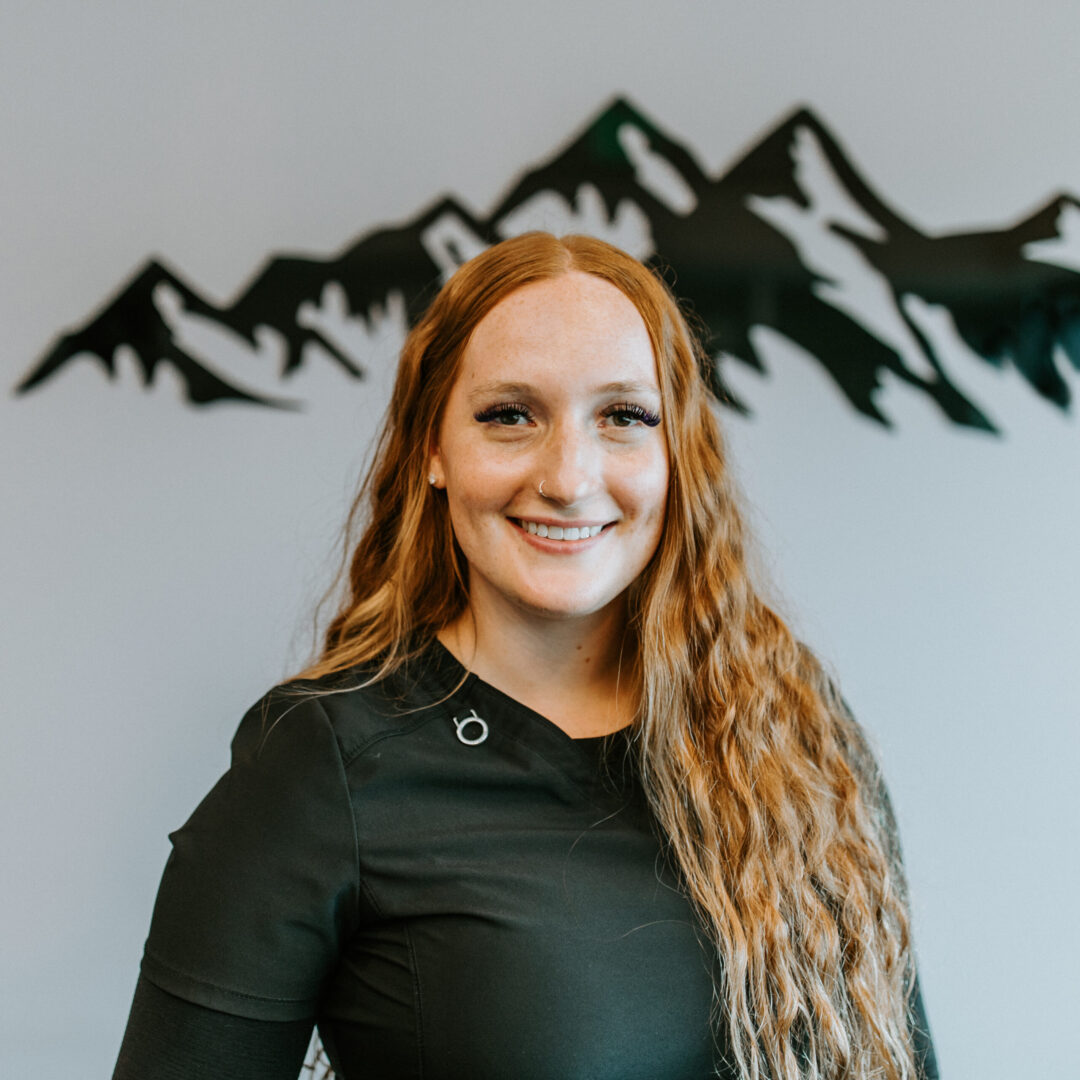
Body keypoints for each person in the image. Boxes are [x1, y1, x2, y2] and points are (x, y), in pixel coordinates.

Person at [113, 232, 938, 1080]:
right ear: (432, 449)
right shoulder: (322, 765)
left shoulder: (790, 731)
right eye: (510, 415)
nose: (570, 477)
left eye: (624, 417)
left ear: (676, 455)